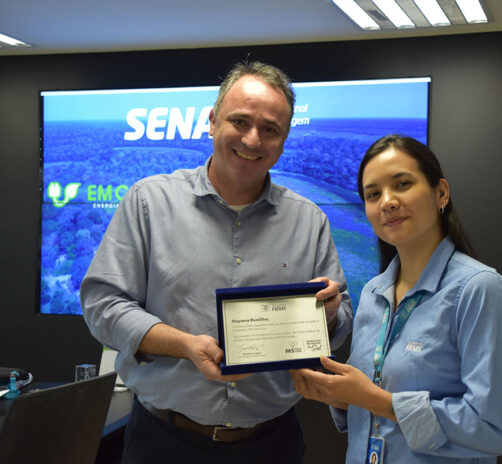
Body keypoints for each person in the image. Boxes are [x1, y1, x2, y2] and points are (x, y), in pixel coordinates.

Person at [80, 61, 353, 464]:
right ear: (212, 122)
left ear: (284, 139)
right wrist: (185, 346)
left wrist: (328, 315)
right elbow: (102, 306)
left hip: (271, 445)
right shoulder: (148, 202)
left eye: (270, 129)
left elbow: (341, 320)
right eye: (240, 121)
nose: (253, 139)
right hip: (163, 443)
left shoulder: (309, 221)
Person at [290, 135, 502, 463]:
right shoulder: (373, 292)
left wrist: (376, 401)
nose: (387, 202)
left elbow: (492, 428)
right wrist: (336, 394)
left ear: (441, 193)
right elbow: (371, 403)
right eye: (373, 194)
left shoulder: (479, 290)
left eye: (402, 184)